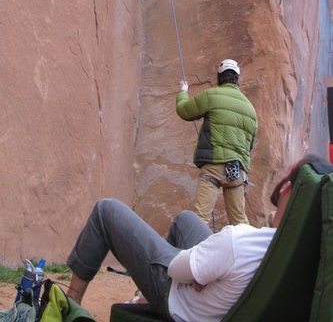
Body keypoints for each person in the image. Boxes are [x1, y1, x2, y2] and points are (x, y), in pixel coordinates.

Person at [66, 156, 326, 322]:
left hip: (182, 301)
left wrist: (197, 270)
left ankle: (69, 305)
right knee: (186, 220)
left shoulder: (240, 241)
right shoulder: (305, 260)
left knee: (106, 210)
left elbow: (179, 270)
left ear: (288, 188)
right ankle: (172, 282)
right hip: (226, 296)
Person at [176, 59, 257, 226]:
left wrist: (183, 91)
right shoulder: (250, 109)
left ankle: (196, 252)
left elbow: (184, 111)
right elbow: (250, 145)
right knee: (240, 223)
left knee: (200, 220)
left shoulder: (211, 95)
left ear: (219, 77)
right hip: (237, 171)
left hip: (214, 167)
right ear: (237, 79)